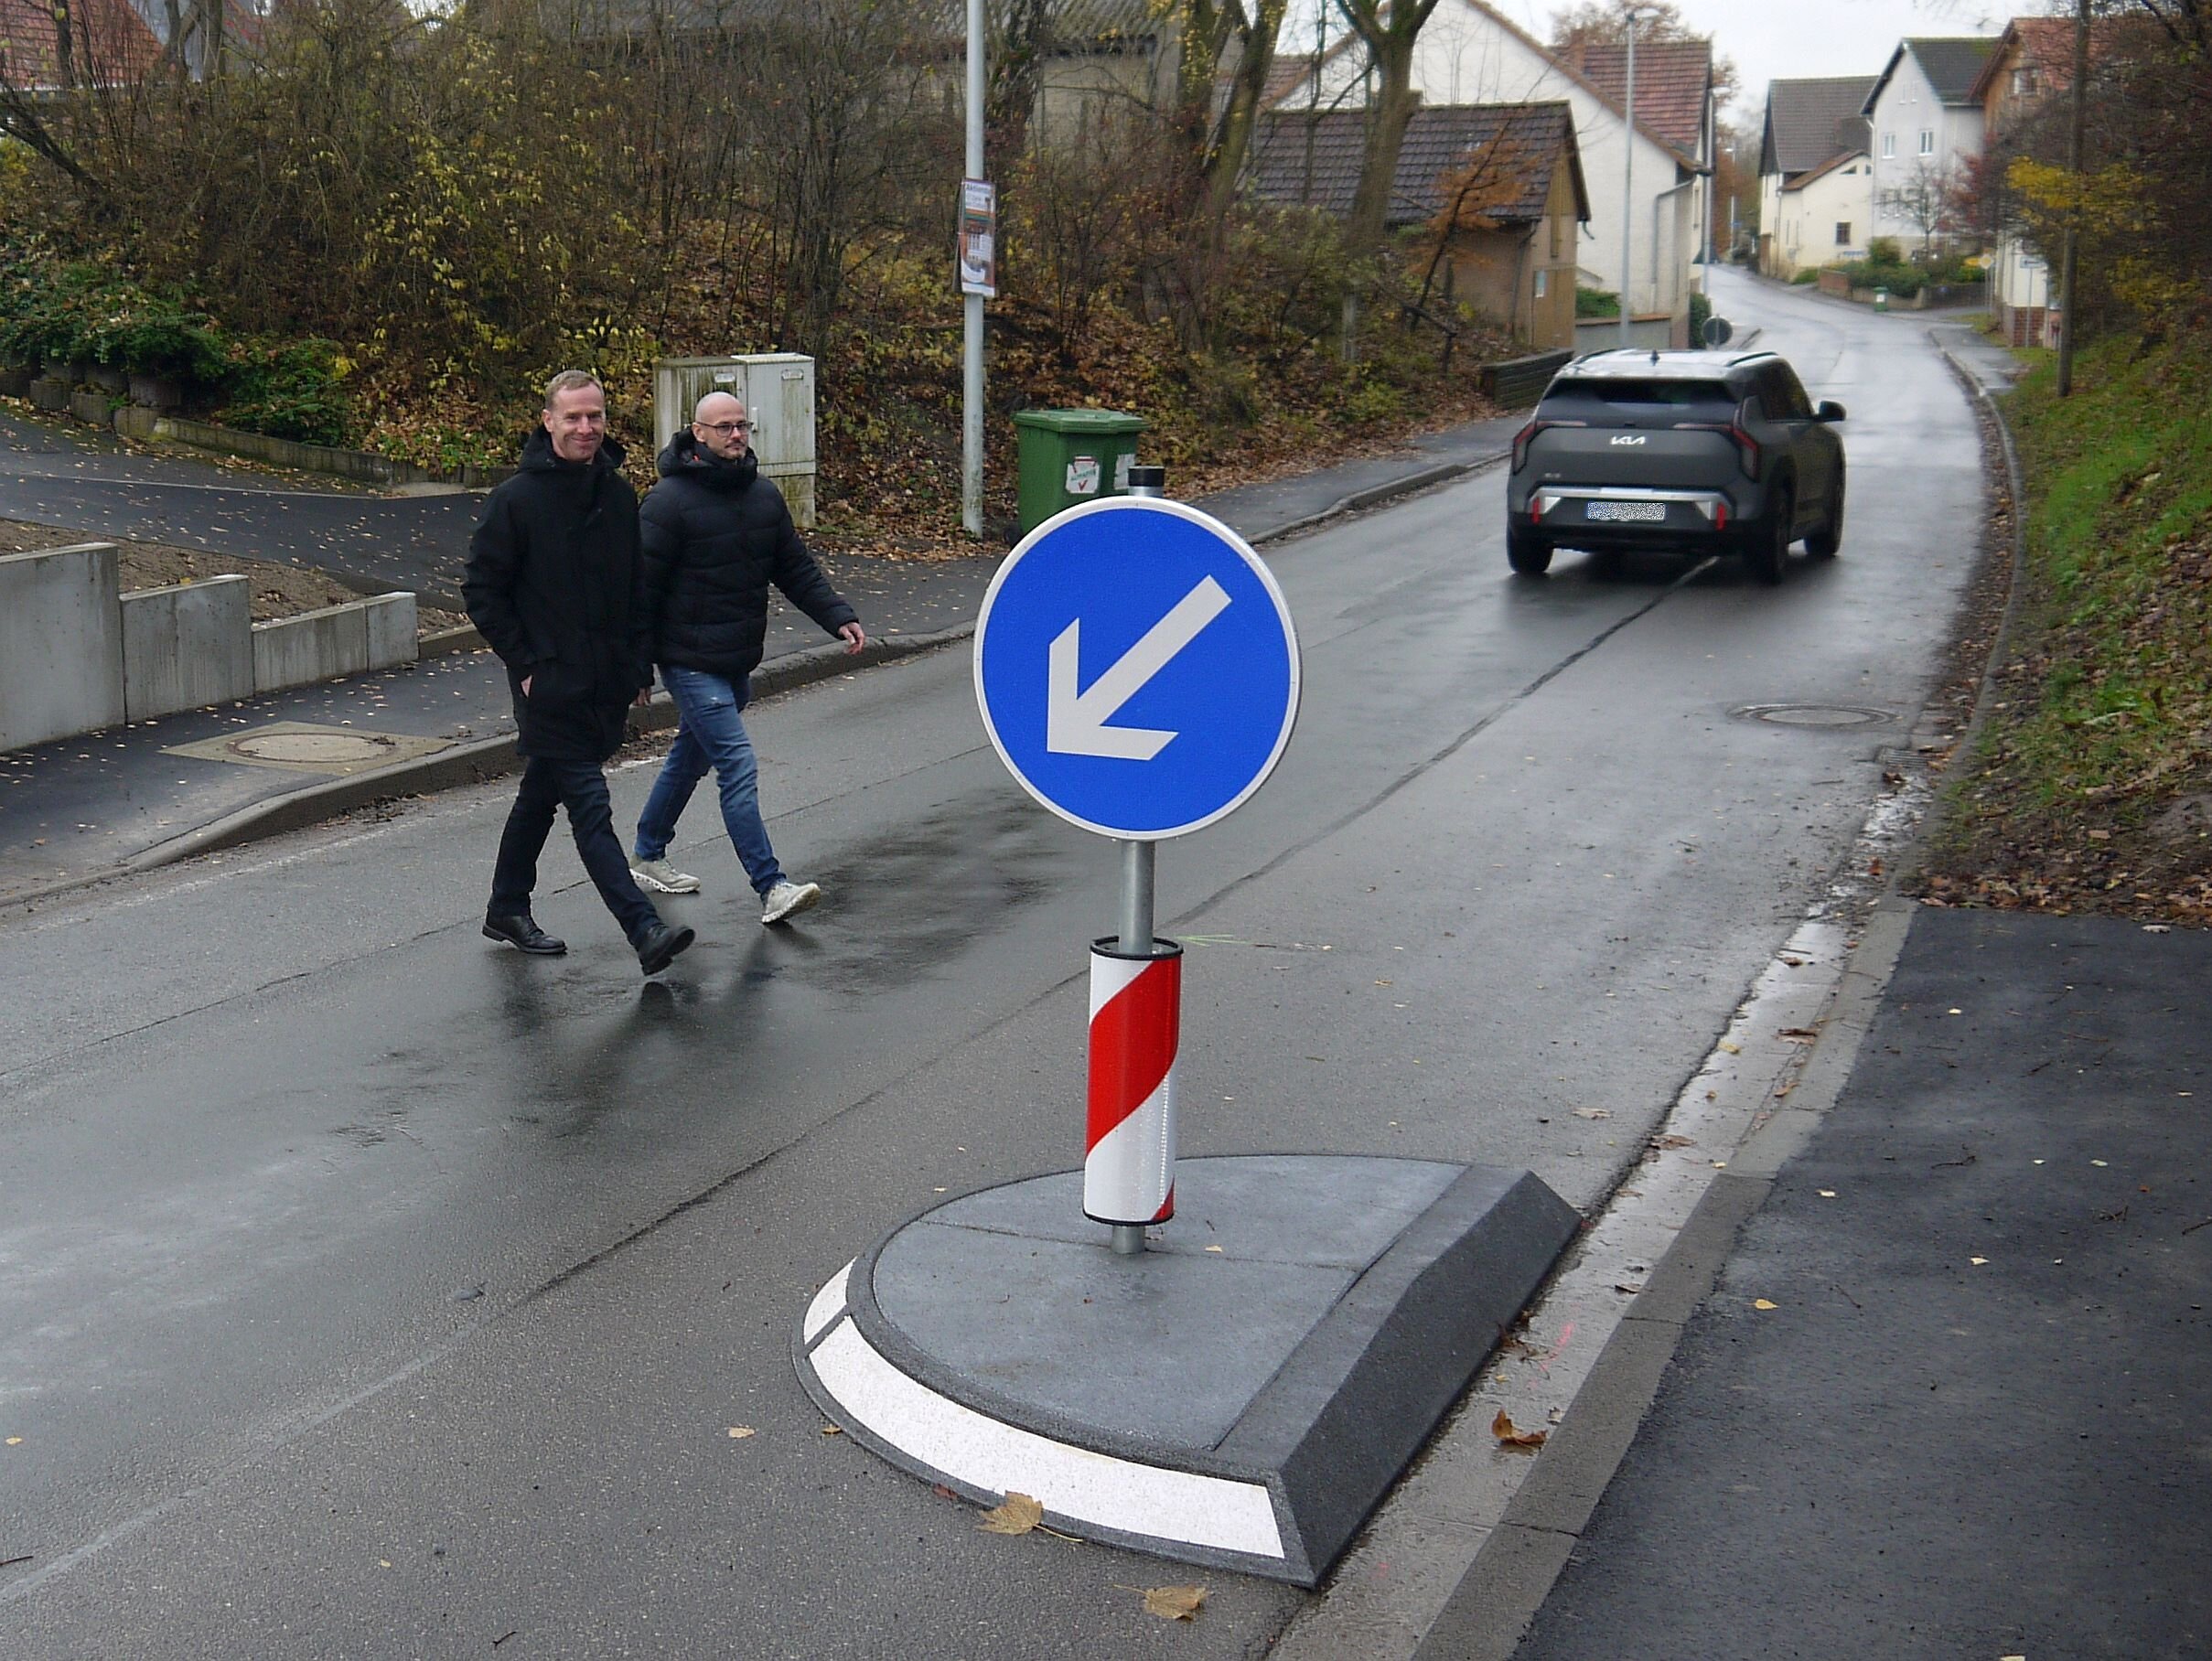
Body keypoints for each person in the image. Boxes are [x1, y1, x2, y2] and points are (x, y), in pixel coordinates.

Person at [464, 370, 695, 977]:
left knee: (541, 795)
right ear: (548, 421)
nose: (586, 428)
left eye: (595, 416)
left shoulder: (616, 496)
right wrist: (525, 662)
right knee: (590, 806)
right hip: (548, 682)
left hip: (605, 681)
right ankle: (643, 929)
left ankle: (506, 907)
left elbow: (635, 588)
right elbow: (482, 590)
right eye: (573, 417)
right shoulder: (515, 500)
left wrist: (638, 665)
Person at [628, 391, 864, 924]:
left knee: (690, 756)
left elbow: (794, 567)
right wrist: (636, 666)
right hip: (688, 660)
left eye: (742, 426)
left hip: (736, 659)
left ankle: (647, 852)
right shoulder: (667, 502)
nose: (736, 435)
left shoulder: (762, 495)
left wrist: (837, 616)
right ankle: (771, 885)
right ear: (697, 433)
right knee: (735, 763)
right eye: (724, 427)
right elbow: (639, 592)